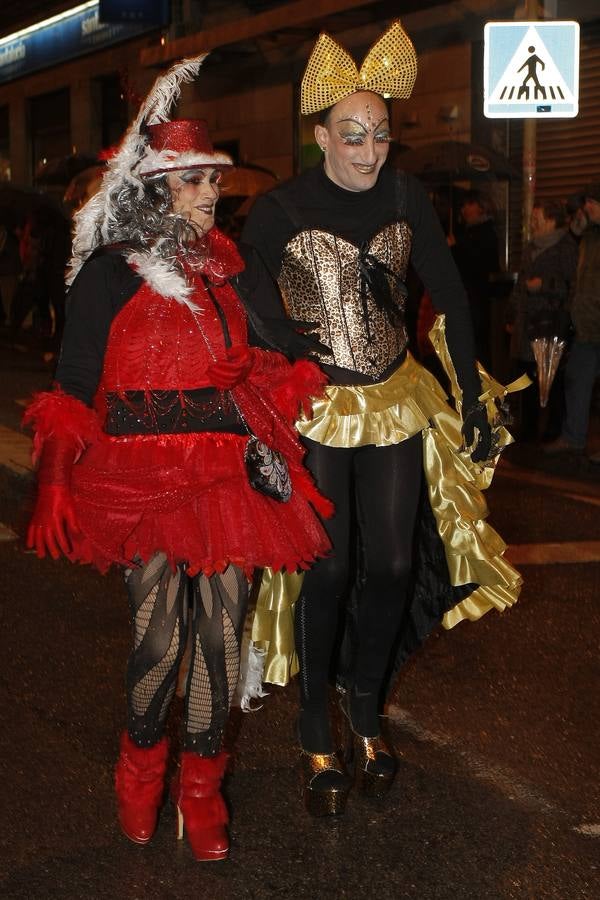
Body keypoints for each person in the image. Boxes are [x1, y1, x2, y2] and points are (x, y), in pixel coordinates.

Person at [23, 55, 331, 861]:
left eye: (210, 180)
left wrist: (261, 369)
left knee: (223, 642)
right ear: (154, 187)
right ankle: (138, 770)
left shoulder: (233, 264)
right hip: (141, 475)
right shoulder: (109, 271)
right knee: (159, 642)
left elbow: (294, 357)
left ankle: (201, 790)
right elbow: (74, 382)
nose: (209, 192)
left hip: (228, 472)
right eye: (191, 180)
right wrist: (54, 477)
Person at [238, 22, 522, 817]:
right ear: (320, 134)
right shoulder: (278, 209)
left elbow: (453, 297)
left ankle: (365, 711)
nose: (369, 152)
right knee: (326, 569)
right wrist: (276, 383)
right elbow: (248, 311)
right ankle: (310, 724)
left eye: (381, 135)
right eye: (352, 136)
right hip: (319, 407)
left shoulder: (405, 197)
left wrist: (468, 394)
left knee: (394, 563)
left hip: (394, 394)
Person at [505, 199, 578, 441]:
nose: (532, 223)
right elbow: (520, 284)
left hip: (550, 323)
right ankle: (528, 428)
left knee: (550, 378)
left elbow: (572, 285)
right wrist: (511, 311)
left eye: (537, 218)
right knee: (527, 375)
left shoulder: (566, 247)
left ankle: (552, 429)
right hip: (527, 324)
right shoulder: (531, 247)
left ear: (551, 220)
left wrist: (544, 286)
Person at [545, 181, 600, 459]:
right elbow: (572, 234)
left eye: (591, 203)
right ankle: (573, 436)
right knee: (577, 378)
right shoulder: (587, 235)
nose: (586, 208)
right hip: (586, 325)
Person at [449, 190, 500, 371]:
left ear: (481, 207)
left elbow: (480, 263)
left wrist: (458, 245)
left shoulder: (485, 233)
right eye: (462, 205)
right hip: (466, 297)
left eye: (469, 204)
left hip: (477, 298)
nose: (464, 209)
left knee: (477, 344)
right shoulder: (466, 233)